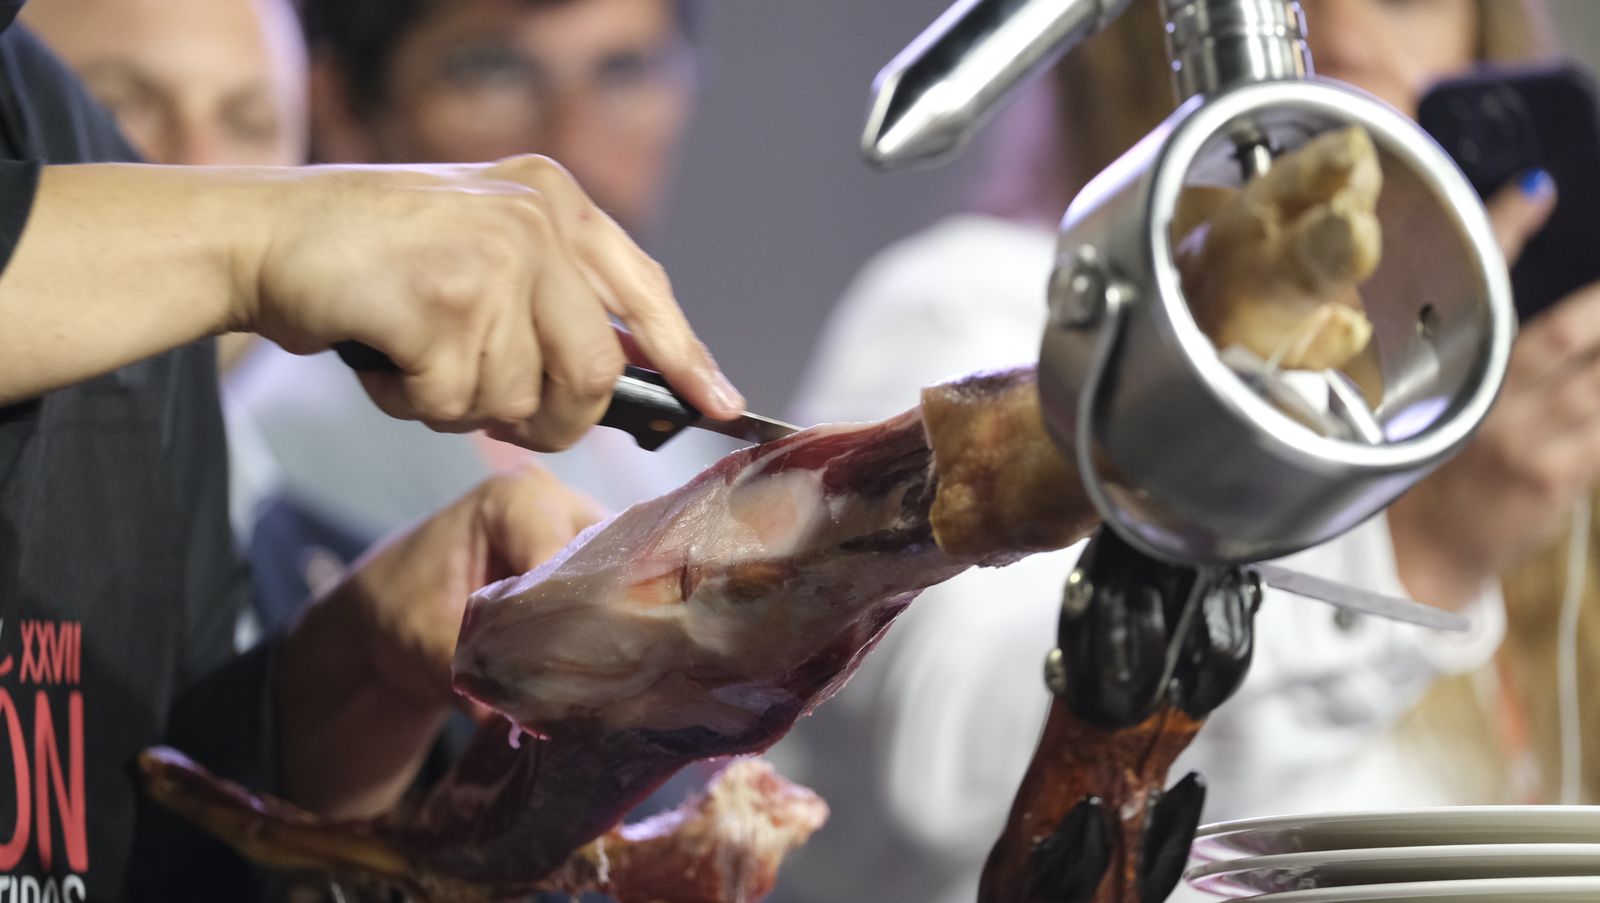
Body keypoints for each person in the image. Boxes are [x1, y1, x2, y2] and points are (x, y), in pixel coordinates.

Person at [768, 2, 1575, 901]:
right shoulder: (978, 305)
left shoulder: (1529, 427)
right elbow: (945, 765)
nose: (1340, 36)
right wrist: (1422, 549)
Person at [0, 2, 745, 897]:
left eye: (247, 122)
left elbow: (157, 809)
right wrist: (258, 237)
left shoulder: (51, 119)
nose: (199, 168)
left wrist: (356, 670)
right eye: (491, 69)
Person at [227, 0, 709, 626]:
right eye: (492, 72)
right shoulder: (274, 456)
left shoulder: (669, 437)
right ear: (342, 107)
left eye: (624, 72)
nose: (571, 148)